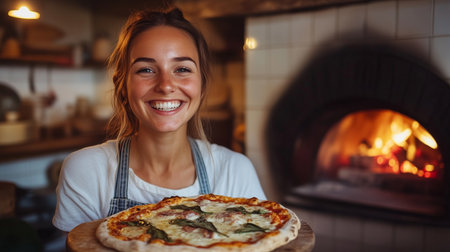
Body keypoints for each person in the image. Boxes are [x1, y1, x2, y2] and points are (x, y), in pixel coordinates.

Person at [52, 7, 266, 232]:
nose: (165, 85)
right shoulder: (86, 170)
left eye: (182, 69)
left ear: (202, 85)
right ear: (123, 86)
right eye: (146, 70)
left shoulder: (234, 171)